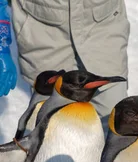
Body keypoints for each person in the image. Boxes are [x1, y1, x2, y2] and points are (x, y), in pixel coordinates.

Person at [0, 0, 129, 121]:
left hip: (103, 23)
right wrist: (2, 43)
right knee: (50, 122)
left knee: (114, 116)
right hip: (41, 29)